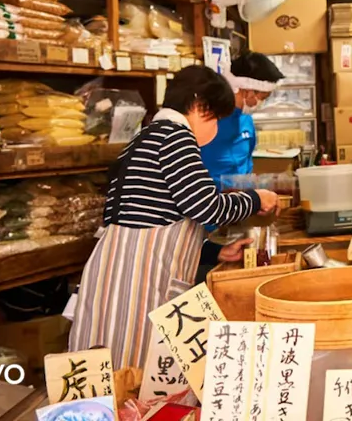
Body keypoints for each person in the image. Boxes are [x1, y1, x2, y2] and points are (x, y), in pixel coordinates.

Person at [68, 65, 279, 369]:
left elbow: (161, 213)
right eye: (215, 119)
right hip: (137, 282)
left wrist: (214, 250)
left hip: (121, 275)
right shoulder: (175, 138)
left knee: (114, 373)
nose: (217, 128)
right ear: (198, 105)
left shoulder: (147, 138)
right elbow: (207, 208)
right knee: (131, 374)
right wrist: (255, 199)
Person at [200, 52, 284, 189]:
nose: (262, 103)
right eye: (263, 98)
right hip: (211, 202)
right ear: (248, 92)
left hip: (242, 202)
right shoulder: (207, 120)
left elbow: (247, 164)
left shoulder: (246, 121)